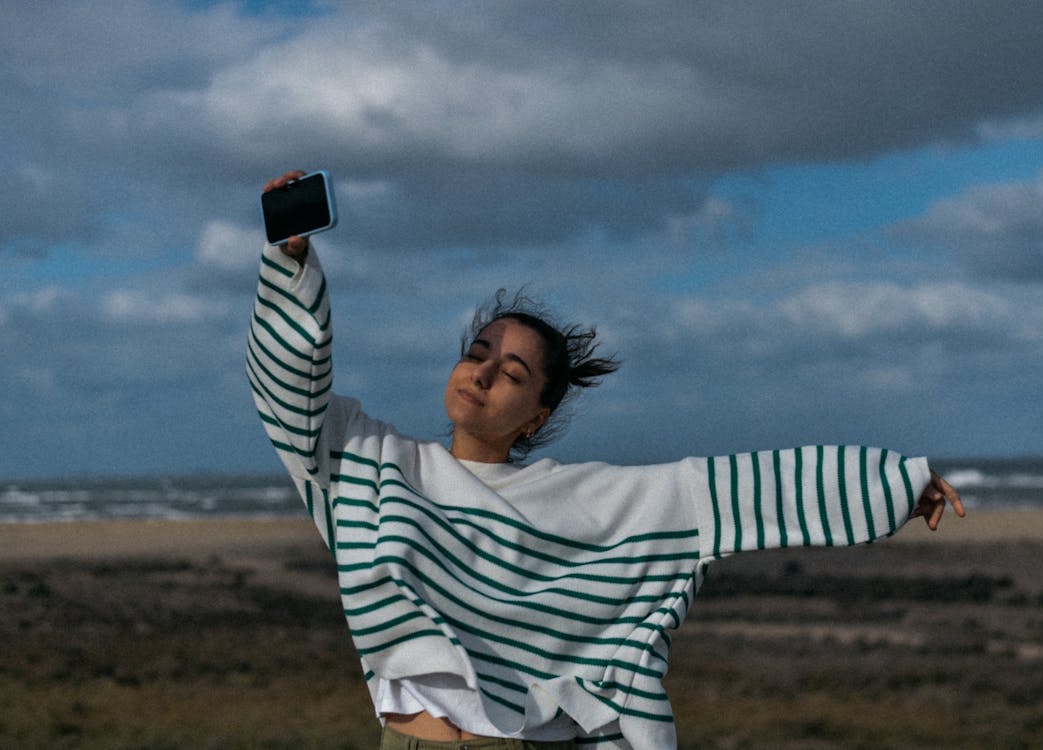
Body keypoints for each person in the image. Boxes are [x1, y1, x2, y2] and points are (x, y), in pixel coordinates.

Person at [247, 170, 965, 750]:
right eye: (478, 352)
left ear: (538, 416)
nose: (487, 371)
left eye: (515, 374)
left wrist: (893, 485)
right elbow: (288, 396)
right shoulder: (373, 465)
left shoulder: (584, 498)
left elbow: (729, 491)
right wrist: (291, 263)